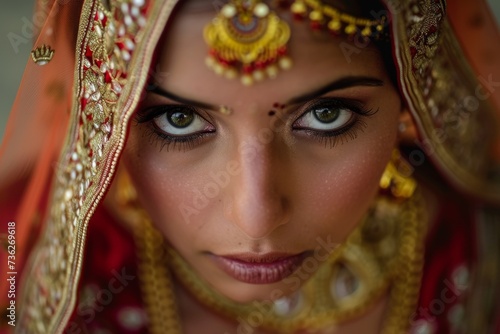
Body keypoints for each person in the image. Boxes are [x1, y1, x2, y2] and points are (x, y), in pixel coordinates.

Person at [0, 0, 499, 333]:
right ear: (103, 118)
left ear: (412, 104)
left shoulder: (476, 260)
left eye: (326, 116)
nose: (256, 218)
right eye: (177, 120)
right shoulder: (16, 267)